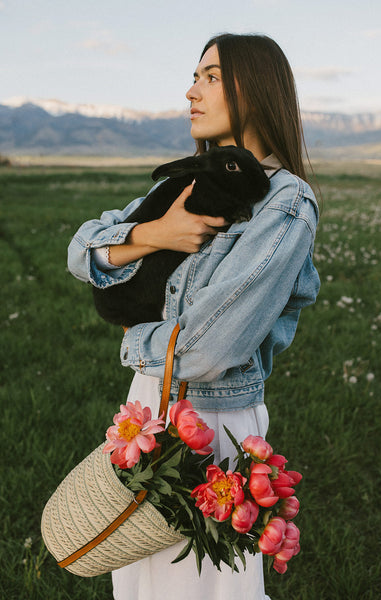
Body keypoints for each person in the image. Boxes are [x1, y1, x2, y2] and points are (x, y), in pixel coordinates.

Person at [68, 33, 320, 600]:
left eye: (210, 77)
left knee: (199, 586)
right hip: (144, 410)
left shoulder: (285, 204)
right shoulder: (191, 183)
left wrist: (136, 342)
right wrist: (158, 233)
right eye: (195, 76)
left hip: (217, 429)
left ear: (255, 89)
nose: (190, 91)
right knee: (137, 580)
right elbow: (80, 251)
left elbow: (210, 351)